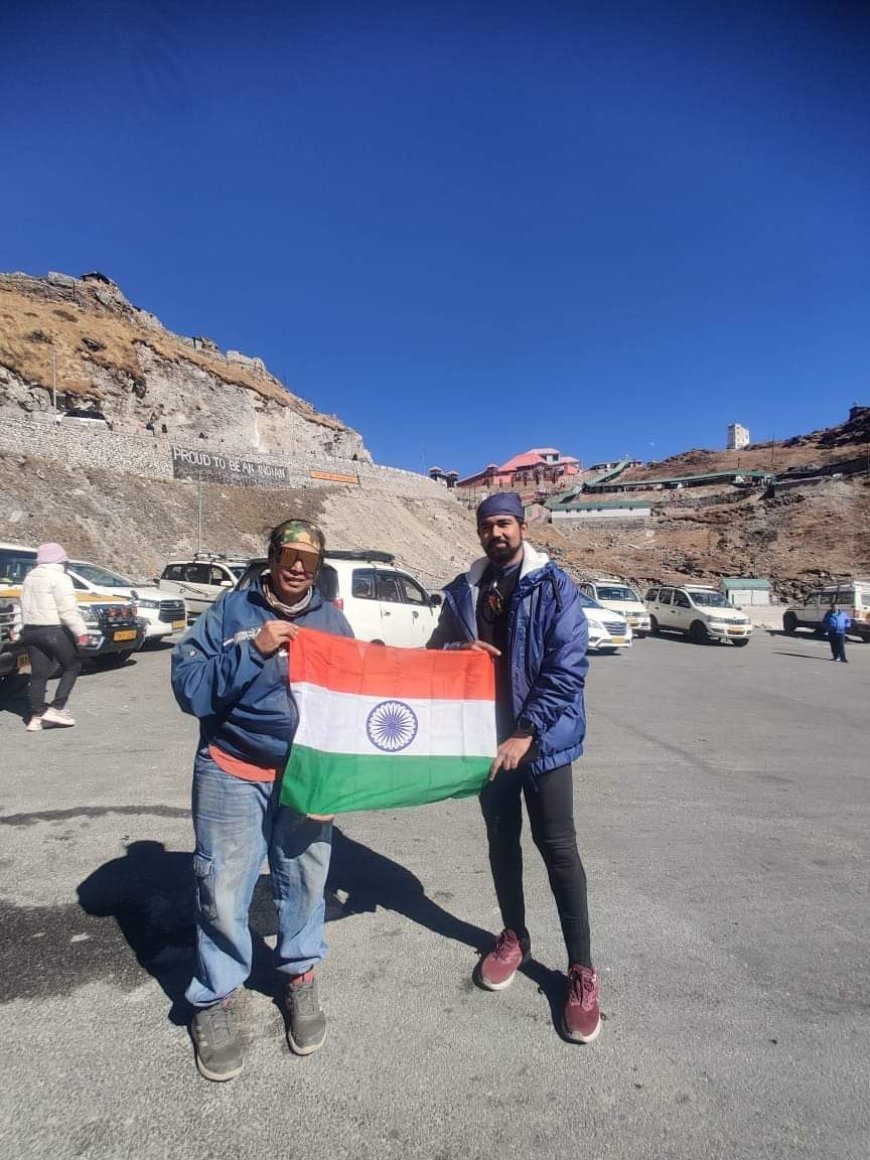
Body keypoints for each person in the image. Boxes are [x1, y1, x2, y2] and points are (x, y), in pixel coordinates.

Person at [171, 518, 353, 1082]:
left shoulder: (333, 622)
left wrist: (334, 784)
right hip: (232, 768)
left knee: (305, 879)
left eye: (309, 558)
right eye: (288, 554)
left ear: (318, 567)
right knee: (223, 885)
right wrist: (252, 650)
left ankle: (299, 977)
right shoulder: (230, 612)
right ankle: (217, 997)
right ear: (271, 556)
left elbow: (353, 707)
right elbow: (188, 686)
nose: (298, 566)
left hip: (305, 776)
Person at [427, 492, 600, 1043]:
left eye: (504, 523)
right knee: (502, 843)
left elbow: (568, 664)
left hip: (541, 744)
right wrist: (458, 650)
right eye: (486, 525)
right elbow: (436, 653)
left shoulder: (553, 585)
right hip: (487, 745)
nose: (495, 533)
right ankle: (513, 937)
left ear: (522, 527)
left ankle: (581, 971)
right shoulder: (463, 590)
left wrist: (526, 731)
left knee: (559, 850)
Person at [20, 542, 89, 731]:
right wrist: (81, 633)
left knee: (38, 673)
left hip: (30, 631)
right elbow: (67, 610)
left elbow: (23, 604)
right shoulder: (60, 577)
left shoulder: (30, 576)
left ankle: (36, 715)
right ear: (61, 560)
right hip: (52, 631)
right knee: (73, 665)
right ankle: (56, 707)